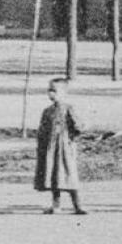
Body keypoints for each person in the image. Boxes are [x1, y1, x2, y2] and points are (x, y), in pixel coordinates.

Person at [33, 77, 85, 215]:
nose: (51, 93)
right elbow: (42, 130)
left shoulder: (68, 108)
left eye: (54, 90)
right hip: (51, 149)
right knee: (54, 176)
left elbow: (78, 125)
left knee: (69, 175)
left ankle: (78, 206)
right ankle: (56, 206)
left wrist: (75, 133)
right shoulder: (47, 111)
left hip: (65, 149)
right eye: (49, 90)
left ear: (64, 93)